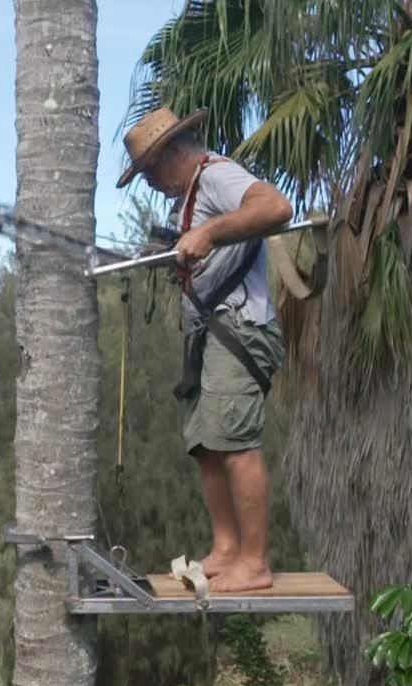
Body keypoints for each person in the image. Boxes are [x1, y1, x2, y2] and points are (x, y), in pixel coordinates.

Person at [117, 107, 292, 592]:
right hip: (207, 333)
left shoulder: (217, 176)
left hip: (237, 326)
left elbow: (276, 208)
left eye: (150, 170)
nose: (149, 182)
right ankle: (226, 550)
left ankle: (254, 563)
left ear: (174, 152)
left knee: (236, 446)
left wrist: (209, 232)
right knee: (207, 446)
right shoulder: (187, 200)